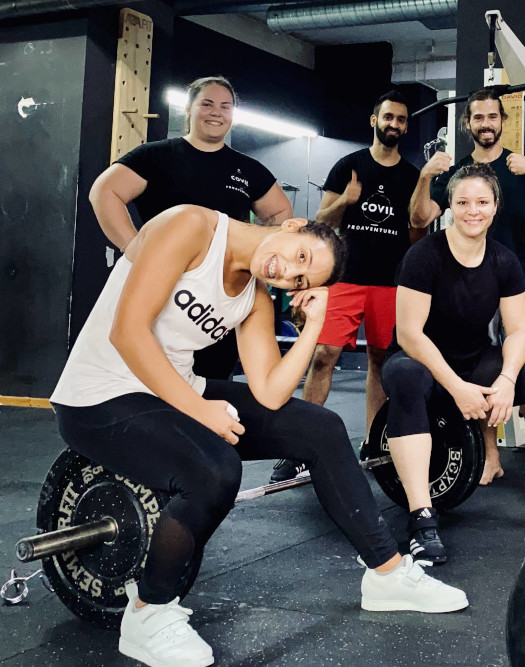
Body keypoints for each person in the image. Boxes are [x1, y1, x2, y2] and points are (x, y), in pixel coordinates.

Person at [49, 205, 468, 667]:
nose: (287, 273)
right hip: (99, 395)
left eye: (300, 281)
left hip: (172, 392)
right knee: (214, 470)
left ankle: (387, 574)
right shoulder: (191, 226)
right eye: (300, 257)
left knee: (321, 427)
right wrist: (202, 412)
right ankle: (148, 613)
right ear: (292, 226)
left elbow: (270, 392)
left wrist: (313, 325)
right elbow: (128, 332)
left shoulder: (256, 296)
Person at [387, 164, 525, 564]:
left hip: (474, 361)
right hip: (420, 362)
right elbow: (409, 334)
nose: (472, 210)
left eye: (481, 202)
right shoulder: (423, 255)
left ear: (495, 206)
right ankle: (421, 518)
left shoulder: (504, 261)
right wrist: (456, 388)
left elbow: (520, 330)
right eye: (462, 202)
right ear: (449, 207)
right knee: (405, 376)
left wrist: (507, 379)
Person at [409, 87, 525, 487]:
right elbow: (420, 218)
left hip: (520, 284)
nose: (486, 124)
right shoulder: (457, 174)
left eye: (492, 116)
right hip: (470, 289)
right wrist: (425, 176)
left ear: (503, 121)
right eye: (478, 117)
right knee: (480, 371)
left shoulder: (520, 167)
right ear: (468, 124)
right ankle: (490, 456)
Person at [90, 76, 292, 383]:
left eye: (225, 106)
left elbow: (279, 212)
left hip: (218, 296)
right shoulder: (156, 156)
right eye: (207, 104)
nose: (216, 112)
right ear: (189, 109)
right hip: (166, 286)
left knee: (214, 379)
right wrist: (132, 248)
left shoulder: (247, 169)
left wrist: (261, 259)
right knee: (152, 376)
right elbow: (104, 192)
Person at [274, 91, 420, 483]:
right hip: (346, 278)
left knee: (380, 362)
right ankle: (301, 447)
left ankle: (373, 442)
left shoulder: (411, 176)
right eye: (388, 117)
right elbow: (322, 221)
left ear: (406, 126)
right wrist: (347, 200)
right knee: (324, 355)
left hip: (389, 283)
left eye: (401, 119)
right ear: (374, 120)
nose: (394, 124)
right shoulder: (348, 166)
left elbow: (415, 231)